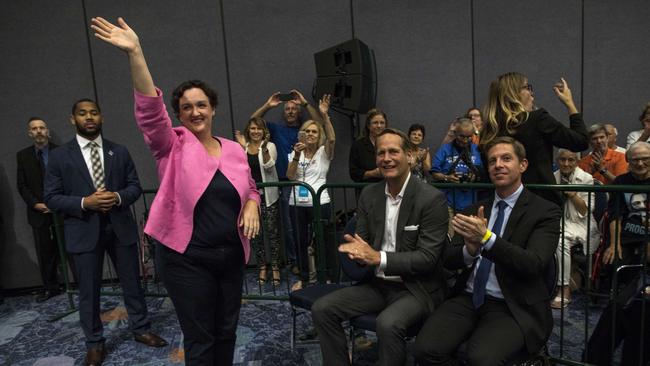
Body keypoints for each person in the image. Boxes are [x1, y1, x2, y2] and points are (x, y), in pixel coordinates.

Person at [90, 17, 260, 365]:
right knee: (201, 337)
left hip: (229, 257)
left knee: (227, 331)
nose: (195, 111)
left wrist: (253, 203)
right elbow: (150, 114)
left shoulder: (234, 149)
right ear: (179, 115)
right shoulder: (172, 145)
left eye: (201, 105)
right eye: (186, 107)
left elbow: (251, 187)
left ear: (213, 109)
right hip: (186, 260)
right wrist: (136, 53)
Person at [414, 136, 561, 365]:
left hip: (512, 304)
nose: (498, 165)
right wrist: (470, 251)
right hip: (468, 297)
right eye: (492, 161)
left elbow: (534, 263)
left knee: (481, 359)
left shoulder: (544, 211)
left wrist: (487, 239)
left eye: (506, 158)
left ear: (522, 165)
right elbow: (449, 260)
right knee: (424, 350)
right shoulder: (475, 209)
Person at [44, 97, 167, 365]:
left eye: (94, 113)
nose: (89, 117)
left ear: (101, 117)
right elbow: (51, 198)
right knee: (89, 291)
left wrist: (118, 197)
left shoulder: (119, 152)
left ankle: (141, 329)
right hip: (83, 230)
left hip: (119, 228)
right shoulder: (59, 156)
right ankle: (94, 343)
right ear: (72, 119)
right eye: (82, 113)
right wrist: (84, 202)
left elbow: (134, 187)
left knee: (132, 283)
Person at [311, 128, 449, 366]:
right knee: (323, 309)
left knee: (388, 323)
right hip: (377, 284)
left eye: (393, 151)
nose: (386, 158)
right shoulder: (369, 194)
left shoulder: (431, 199)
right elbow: (361, 241)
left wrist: (378, 258)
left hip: (416, 288)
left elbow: (428, 258)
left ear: (410, 157)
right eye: (381, 153)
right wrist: (357, 252)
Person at [480, 72, 589, 205]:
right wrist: (569, 103)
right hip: (541, 202)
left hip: (501, 203)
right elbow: (581, 141)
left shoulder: (489, 130)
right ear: (513, 94)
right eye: (527, 87)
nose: (532, 93)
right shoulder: (537, 119)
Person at [251, 90, 321, 273]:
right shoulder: (276, 129)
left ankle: (309, 262)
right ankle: (294, 262)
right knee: (289, 227)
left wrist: (305, 103)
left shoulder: (305, 130)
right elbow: (253, 122)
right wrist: (268, 105)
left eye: (293, 108)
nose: (290, 111)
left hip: (303, 182)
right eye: (287, 109)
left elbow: (319, 123)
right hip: (281, 183)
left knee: (305, 226)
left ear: (298, 112)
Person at [286, 95, 335, 289]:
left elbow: (332, 138)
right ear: (302, 134)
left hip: (319, 202)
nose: (311, 134)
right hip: (296, 202)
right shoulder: (294, 151)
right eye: (307, 131)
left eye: (314, 131)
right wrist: (297, 155)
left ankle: (325, 276)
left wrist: (325, 115)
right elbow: (290, 176)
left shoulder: (324, 152)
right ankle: (305, 278)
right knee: (300, 241)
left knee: (322, 240)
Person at [16, 117, 61, 302]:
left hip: (62, 210)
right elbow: (22, 185)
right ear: (30, 133)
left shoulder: (60, 151)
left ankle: (80, 286)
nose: (39, 131)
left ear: (47, 131)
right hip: (38, 212)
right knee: (45, 253)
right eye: (34, 129)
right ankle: (51, 288)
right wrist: (36, 204)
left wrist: (58, 202)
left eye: (42, 127)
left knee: (72, 250)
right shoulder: (23, 155)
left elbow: (69, 179)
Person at [551, 149, 601, 309]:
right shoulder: (553, 177)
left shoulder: (586, 178)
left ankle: (564, 289)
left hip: (581, 223)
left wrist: (573, 195)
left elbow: (585, 211)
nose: (566, 163)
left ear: (577, 161)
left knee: (560, 239)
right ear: (557, 160)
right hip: (559, 221)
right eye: (563, 159)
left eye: (571, 160)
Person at [235, 117, 282, 286]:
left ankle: (275, 267)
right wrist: (241, 148)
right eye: (253, 128)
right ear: (249, 130)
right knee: (255, 235)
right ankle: (262, 266)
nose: (256, 131)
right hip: (250, 200)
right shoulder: (245, 147)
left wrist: (263, 148)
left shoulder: (270, 146)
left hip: (269, 197)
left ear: (264, 131)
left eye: (259, 129)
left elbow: (270, 166)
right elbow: (240, 169)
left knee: (272, 234)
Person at [349, 108, 387, 183]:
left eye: (382, 123)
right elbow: (354, 173)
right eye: (375, 123)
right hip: (366, 189)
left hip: (389, 188)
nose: (379, 126)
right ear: (368, 125)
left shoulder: (391, 143)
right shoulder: (358, 145)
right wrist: (372, 173)